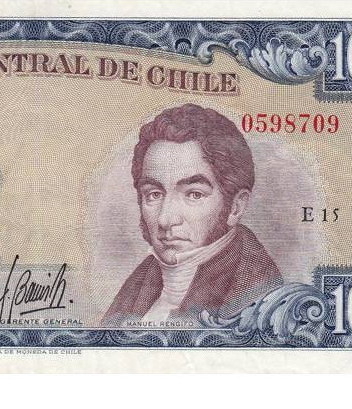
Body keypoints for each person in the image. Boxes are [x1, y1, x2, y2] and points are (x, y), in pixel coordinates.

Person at [102, 103, 282, 326]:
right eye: (154, 194)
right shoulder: (139, 283)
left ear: (235, 207)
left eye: (194, 194)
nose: (165, 219)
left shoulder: (259, 297)